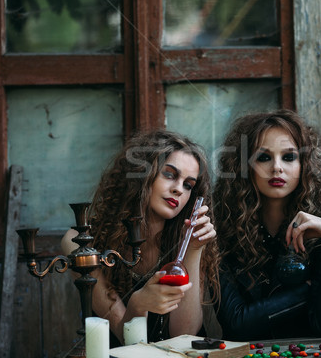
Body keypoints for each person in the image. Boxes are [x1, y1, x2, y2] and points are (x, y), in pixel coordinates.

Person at [61, 130, 220, 346]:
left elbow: (185, 334)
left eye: (188, 185)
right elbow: (124, 336)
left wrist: (193, 249)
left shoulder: (186, 237)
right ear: (141, 174)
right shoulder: (81, 242)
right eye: (170, 174)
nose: (178, 190)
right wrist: (138, 304)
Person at [213, 109, 321, 341]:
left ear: (304, 165)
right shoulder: (223, 227)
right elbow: (237, 323)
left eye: (289, 157)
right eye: (263, 157)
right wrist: (309, 289)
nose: (277, 167)